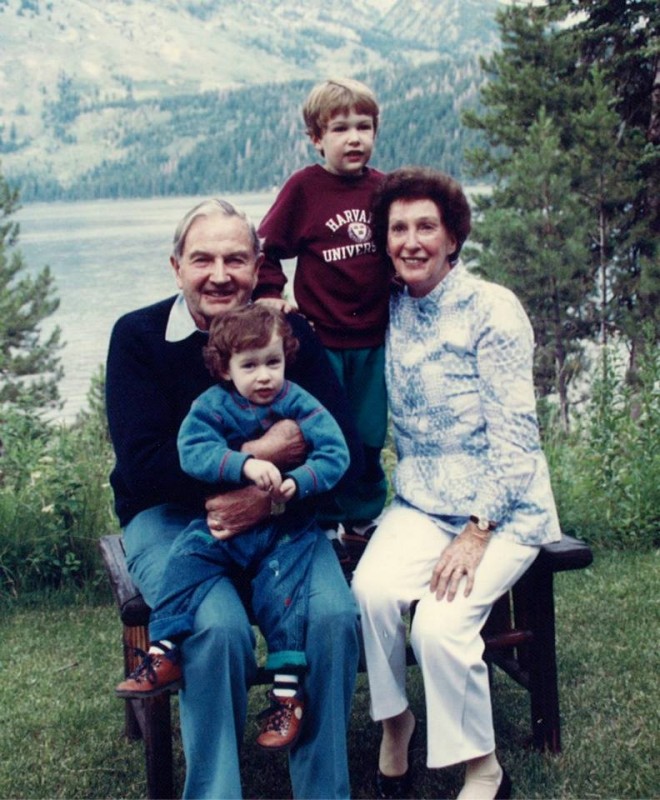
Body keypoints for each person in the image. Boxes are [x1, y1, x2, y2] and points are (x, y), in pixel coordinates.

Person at [106, 198, 362, 798]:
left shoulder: (289, 335)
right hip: (169, 519)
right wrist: (265, 451)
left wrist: (267, 499)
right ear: (176, 267)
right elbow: (145, 466)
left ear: (256, 267)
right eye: (203, 259)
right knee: (215, 628)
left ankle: (323, 791)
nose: (219, 275)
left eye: (235, 259)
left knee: (332, 617)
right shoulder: (138, 337)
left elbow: (343, 445)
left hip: (282, 514)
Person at [351, 167, 562, 800]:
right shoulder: (393, 305)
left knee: (438, 627)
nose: (411, 241)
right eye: (398, 229)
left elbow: (517, 442)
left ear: (452, 238)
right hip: (421, 501)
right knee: (372, 592)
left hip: (504, 508)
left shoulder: (492, 308)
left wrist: (476, 531)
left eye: (426, 227)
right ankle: (396, 722)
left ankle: (482, 768)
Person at [114, 304, 350, 753]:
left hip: (284, 527)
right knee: (187, 562)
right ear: (225, 368)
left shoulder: (299, 402)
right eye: (250, 366)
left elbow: (338, 453)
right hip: (216, 525)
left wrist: (299, 482)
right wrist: (246, 461)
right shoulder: (211, 405)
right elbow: (191, 452)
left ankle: (287, 695)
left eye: (273, 363)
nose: (264, 377)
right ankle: (164, 649)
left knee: (291, 600)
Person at [254, 77, 392, 545]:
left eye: (364, 127)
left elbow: (402, 248)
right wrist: (270, 293)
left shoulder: (383, 189)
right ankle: (324, 516)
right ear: (317, 138)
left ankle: (364, 514)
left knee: (370, 433)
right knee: (325, 429)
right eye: (340, 129)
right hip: (322, 340)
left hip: (373, 337)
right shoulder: (304, 189)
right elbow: (265, 248)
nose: (354, 138)